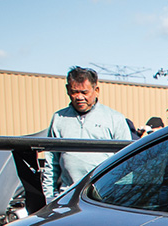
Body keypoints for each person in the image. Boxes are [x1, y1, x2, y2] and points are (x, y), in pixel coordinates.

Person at [45, 66, 133, 199]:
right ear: (68, 90)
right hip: (67, 195)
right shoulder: (59, 118)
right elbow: (51, 162)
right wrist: (48, 196)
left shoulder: (114, 118)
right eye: (75, 92)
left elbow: (128, 162)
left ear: (96, 90)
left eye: (84, 92)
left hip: (104, 195)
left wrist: (123, 196)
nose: (79, 97)